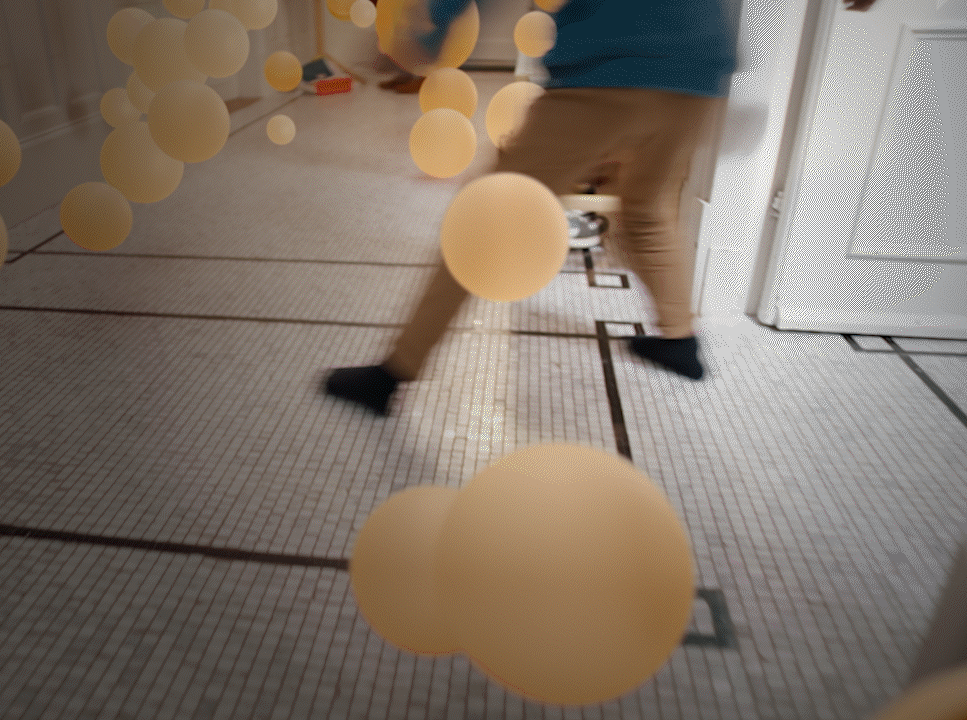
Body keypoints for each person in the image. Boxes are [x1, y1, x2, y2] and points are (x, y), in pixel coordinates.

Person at [326, 0, 874, 416]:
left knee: (491, 216)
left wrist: (427, 32)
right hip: (697, 69)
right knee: (648, 206)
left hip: (613, 59)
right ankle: (679, 341)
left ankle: (392, 373)